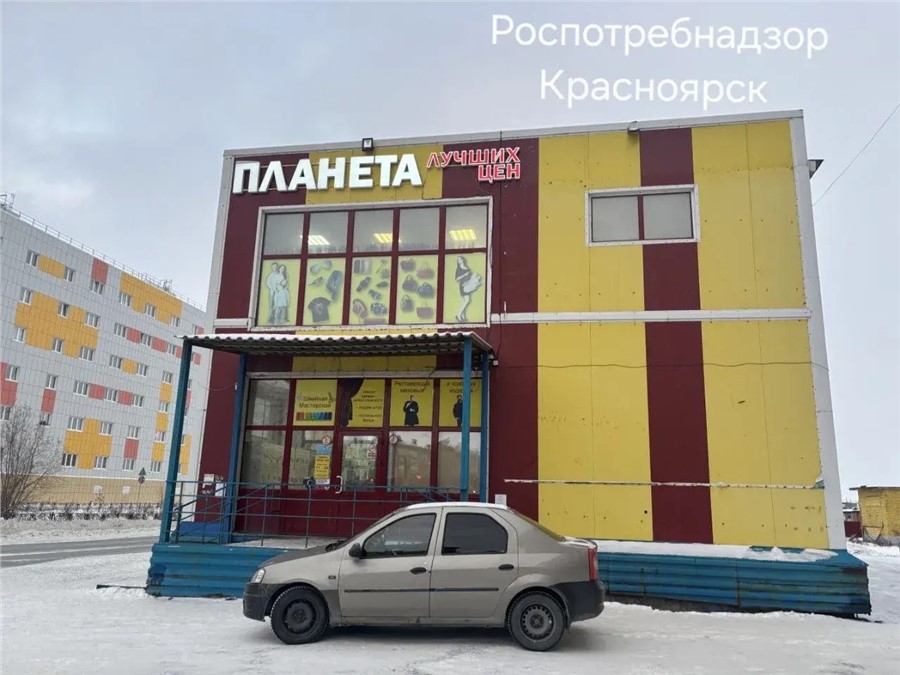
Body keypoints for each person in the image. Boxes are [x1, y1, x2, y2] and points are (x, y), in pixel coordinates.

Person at [454, 256, 483, 322]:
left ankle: (462, 317)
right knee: (467, 300)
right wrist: (464, 275)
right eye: (458, 260)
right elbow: (457, 279)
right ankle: (459, 315)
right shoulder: (458, 269)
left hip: (468, 286)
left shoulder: (467, 268)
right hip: (463, 286)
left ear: (462, 260)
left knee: (464, 301)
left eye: (460, 259)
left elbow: (470, 277)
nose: (459, 261)